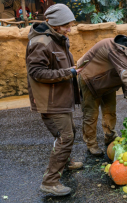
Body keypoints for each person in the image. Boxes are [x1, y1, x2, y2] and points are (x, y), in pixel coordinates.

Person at [26, 4, 84, 196]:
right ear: (54, 24)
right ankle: (50, 182)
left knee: (69, 132)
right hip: (50, 100)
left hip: (60, 97)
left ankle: (65, 163)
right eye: (66, 25)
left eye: (70, 24)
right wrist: (68, 72)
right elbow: (36, 72)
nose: (70, 29)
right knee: (65, 137)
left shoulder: (58, 38)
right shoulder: (41, 42)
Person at [77, 35, 127, 156]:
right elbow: (125, 76)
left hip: (107, 80)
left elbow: (126, 73)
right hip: (89, 79)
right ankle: (91, 144)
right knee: (91, 115)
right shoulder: (117, 51)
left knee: (110, 111)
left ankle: (109, 136)